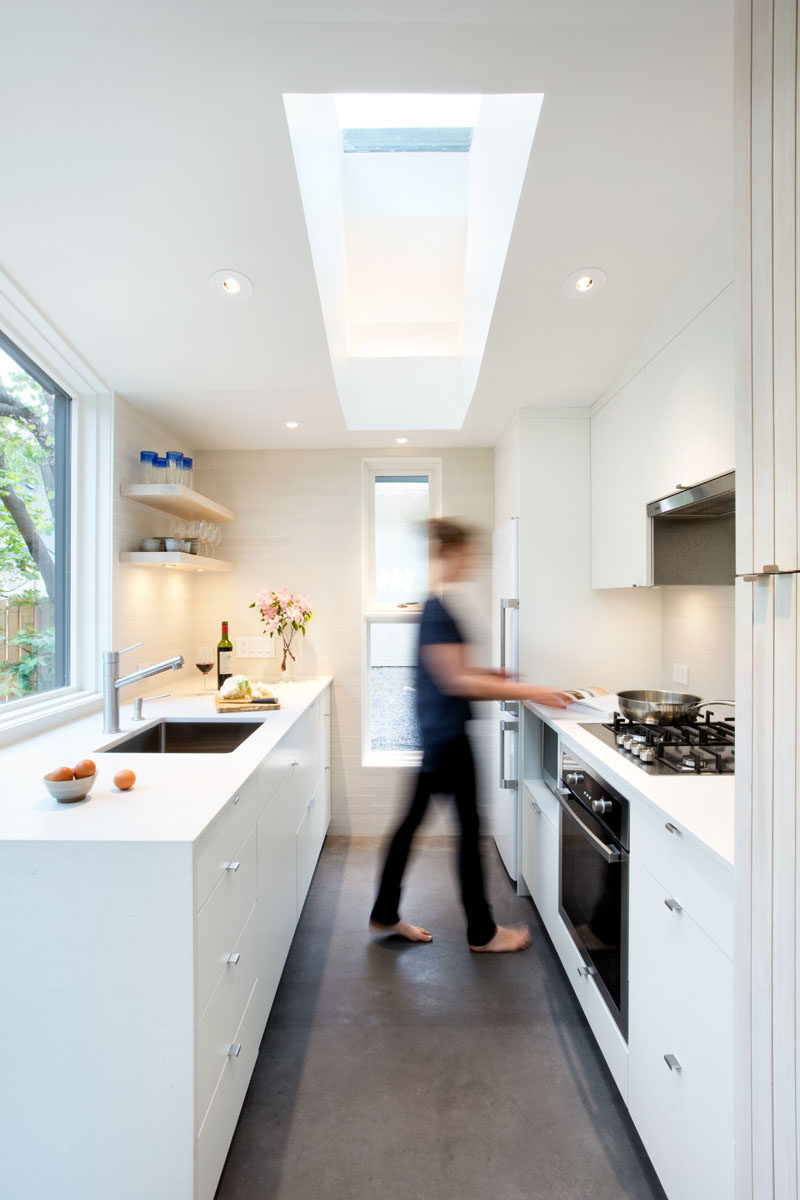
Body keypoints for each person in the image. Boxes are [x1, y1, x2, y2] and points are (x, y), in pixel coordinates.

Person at [369, 518, 569, 953]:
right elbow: (457, 682)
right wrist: (531, 690)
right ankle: (482, 932)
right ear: (452, 553)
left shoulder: (436, 604)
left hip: (438, 735)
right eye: (469, 553)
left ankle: (385, 913)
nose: (473, 561)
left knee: (412, 826)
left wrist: (490, 674)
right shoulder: (439, 608)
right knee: (466, 829)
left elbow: (453, 673)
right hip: (447, 739)